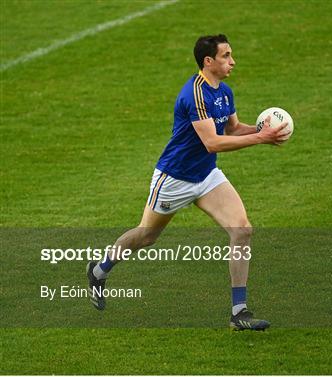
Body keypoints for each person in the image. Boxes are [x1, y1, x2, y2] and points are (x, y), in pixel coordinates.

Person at [86, 34, 289, 331]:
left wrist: (262, 131)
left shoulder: (225, 91)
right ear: (209, 62)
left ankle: (239, 312)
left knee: (242, 229)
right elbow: (212, 142)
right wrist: (260, 138)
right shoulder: (194, 94)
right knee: (146, 237)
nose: (232, 61)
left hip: (206, 176)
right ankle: (100, 269)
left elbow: (231, 129)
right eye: (226, 56)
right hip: (175, 179)